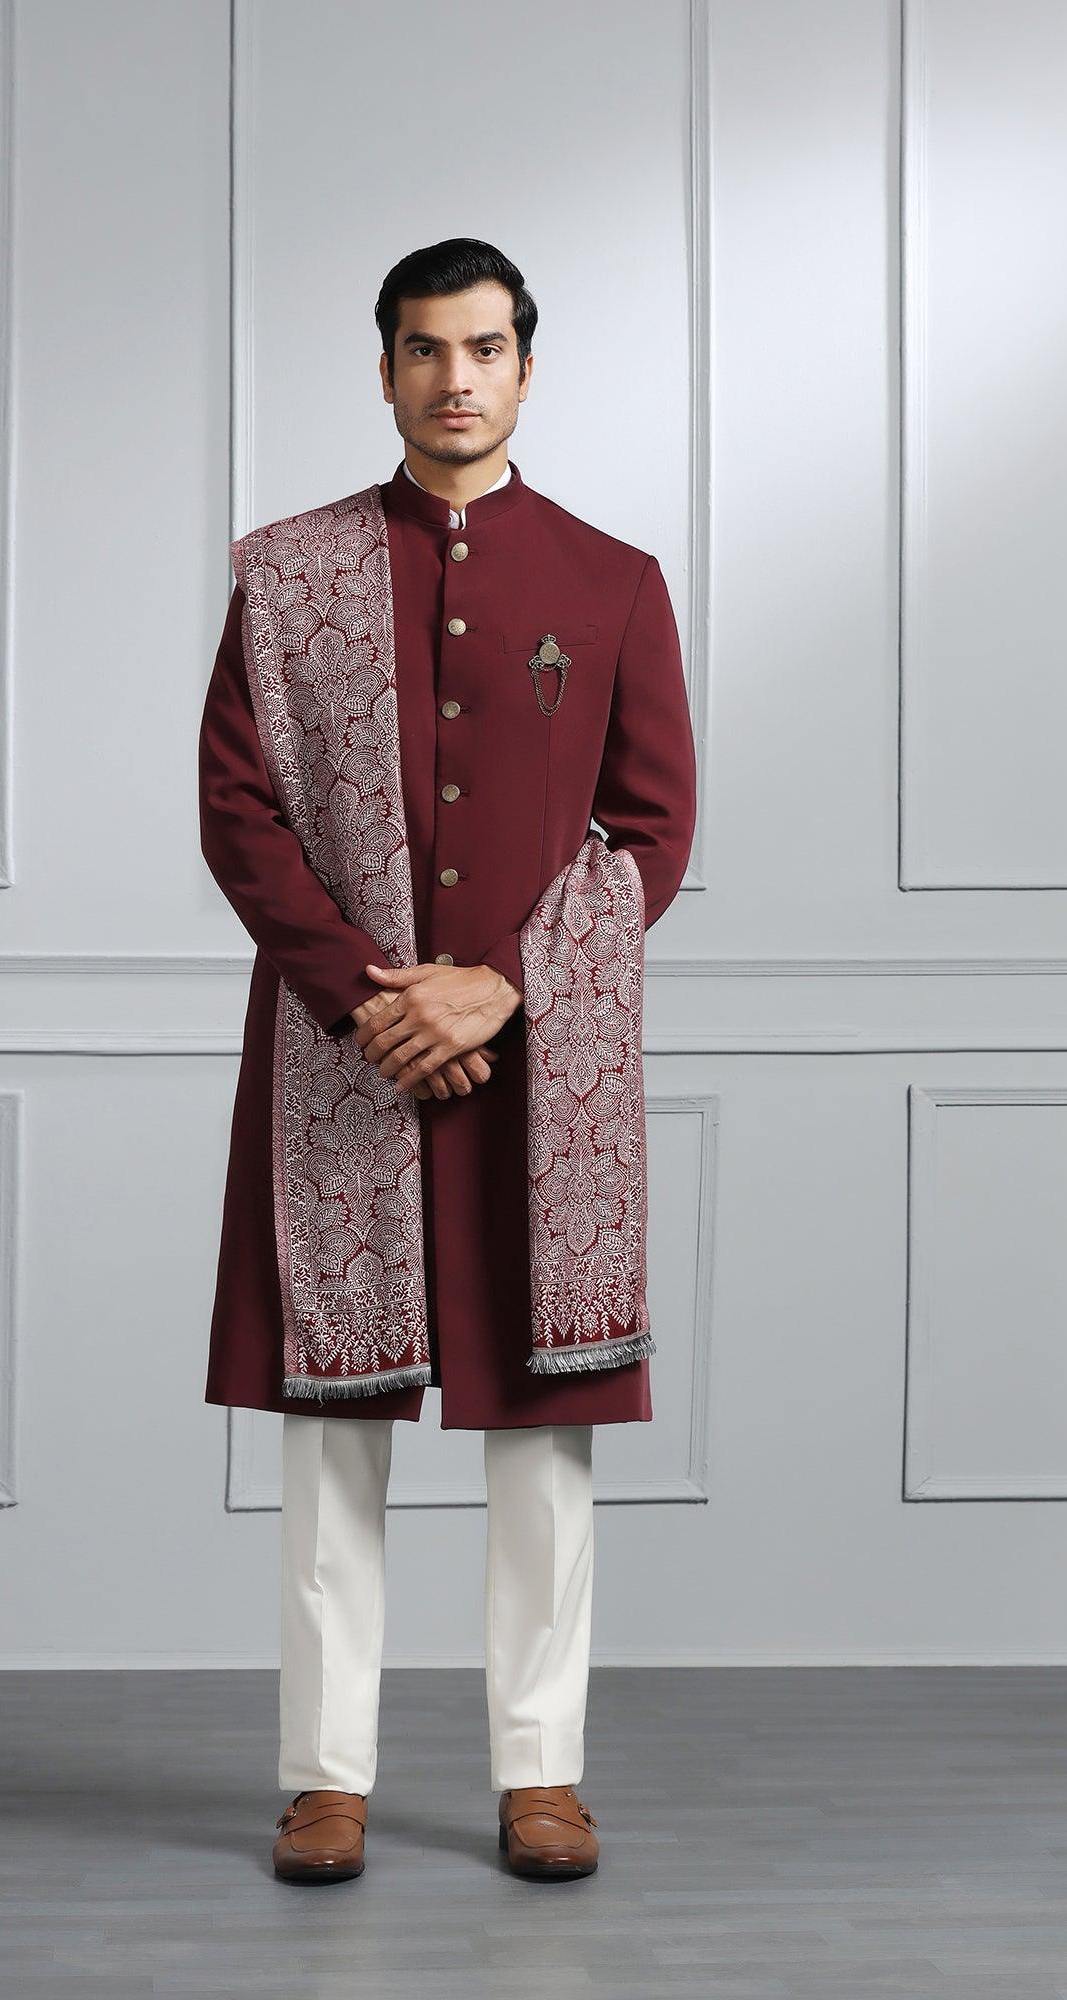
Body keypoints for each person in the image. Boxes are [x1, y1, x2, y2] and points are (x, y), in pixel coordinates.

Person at [197, 237, 697, 1883]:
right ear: (387, 370)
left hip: (537, 1075)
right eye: (426, 349)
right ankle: (324, 1779)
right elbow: (238, 810)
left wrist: (499, 991)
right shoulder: (291, 573)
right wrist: (372, 1000)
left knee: (542, 1439)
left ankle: (541, 1774)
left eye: (485, 349)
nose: (456, 378)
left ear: (527, 369)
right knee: (329, 1441)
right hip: (345, 1056)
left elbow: (652, 830)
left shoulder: (612, 582)